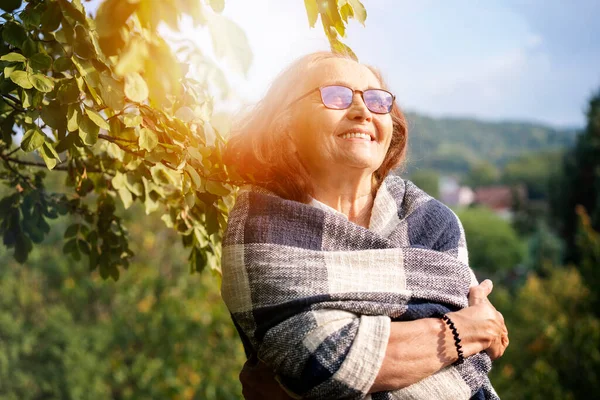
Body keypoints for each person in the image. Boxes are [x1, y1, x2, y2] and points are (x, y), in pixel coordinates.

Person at [221, 51, 509, 400]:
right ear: (286, 125)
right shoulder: (261, 225)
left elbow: (469, 369)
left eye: (376, 100)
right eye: (336, 96)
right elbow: (323, 362)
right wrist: (461, 332)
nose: (362, 111)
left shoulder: (432, 223)